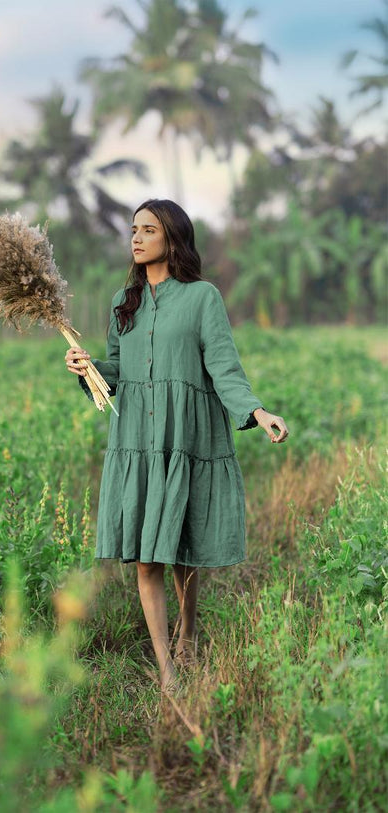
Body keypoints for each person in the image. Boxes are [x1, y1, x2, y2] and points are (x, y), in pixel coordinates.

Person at [65, 198, 289, 693]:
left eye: (148, 229)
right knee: (147, 557)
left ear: (172, 237)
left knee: (183, 546)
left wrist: (258, 411)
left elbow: (224, 368)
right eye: (133, 229)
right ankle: (167, 667)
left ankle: (189, 630)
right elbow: (119, 374)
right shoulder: (124, 303)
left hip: (185, 436)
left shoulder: (203, 298)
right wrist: (91, 369)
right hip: (138, 443)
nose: (137, 238)